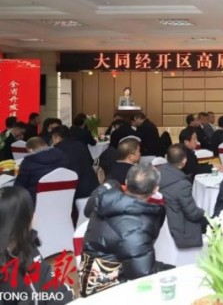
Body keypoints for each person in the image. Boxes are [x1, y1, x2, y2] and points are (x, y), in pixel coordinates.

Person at [80, 164, 171, 296]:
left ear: (126, 182)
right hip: (104, 288)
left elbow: (87, 211)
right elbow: (142, 273)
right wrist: (174, 271)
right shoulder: (137, 227)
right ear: (156, 190)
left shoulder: (104, 197)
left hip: (91, 273)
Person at [0, 186, 74, 304]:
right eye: (31, 211)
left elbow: (50, 283)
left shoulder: (28, 248)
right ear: (20, 221)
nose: (34, 216)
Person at [157, 144, 207, 248]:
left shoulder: (157, 174)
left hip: (161, 224)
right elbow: (192, 214)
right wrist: (205, 213)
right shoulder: (182, 185)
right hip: (180, 227)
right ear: (184, 160)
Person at [14, 137, 70, 204]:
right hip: (62, 198)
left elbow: (19, 185)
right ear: (45, 145)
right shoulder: (61, 155)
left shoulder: (28, 162)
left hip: (37, 201)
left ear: (30, 150)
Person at [51, 125, 99, 200]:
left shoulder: (58, 150)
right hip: (91, 185)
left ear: (57, 137)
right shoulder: (80, 144)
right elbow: (90, 161)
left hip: (74, 190)